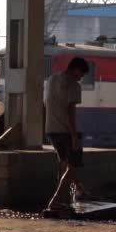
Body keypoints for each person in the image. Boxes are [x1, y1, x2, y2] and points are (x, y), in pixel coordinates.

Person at [44, 57, 89, 213]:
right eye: (81, 73)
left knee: (64, 163)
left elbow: (46, 103)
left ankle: (78, 190)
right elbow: (70, 112)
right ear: (75, 69)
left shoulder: (51, 79)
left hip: (51, 129)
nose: (81, 77)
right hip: (65, 131)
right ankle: (55, 200)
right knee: (73, 165)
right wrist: (74, 136)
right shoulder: (73, 85)